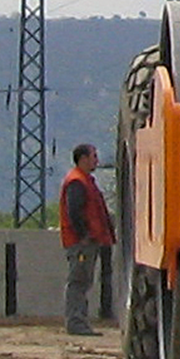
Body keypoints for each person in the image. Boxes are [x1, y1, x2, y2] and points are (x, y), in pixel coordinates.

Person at [58, 143, 116, 337]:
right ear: (83, 159)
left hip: (87, 241)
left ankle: (79, 322)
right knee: (78, 282)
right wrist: (83, 236)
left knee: (82, 281)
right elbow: (74, 211)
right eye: (93, 157)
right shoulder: (77, 182)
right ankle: (76, 323)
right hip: (81, 243)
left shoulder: (84, 181)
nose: (97, 161)